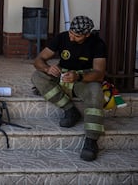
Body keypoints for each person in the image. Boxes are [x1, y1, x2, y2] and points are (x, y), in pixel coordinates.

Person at [31, 15, 106, 161]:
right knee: (37, 76)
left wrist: (78, 77)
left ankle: (91, 141)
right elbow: (38, 60)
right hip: (62, 75)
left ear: (87, 34)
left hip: (84, 80)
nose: (71, 38)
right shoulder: (62, 37)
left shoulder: (98, 44)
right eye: (71, 33)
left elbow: (99, 73)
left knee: (96, 93)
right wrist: (47, 69)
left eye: (77, 36)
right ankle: (70, 110)